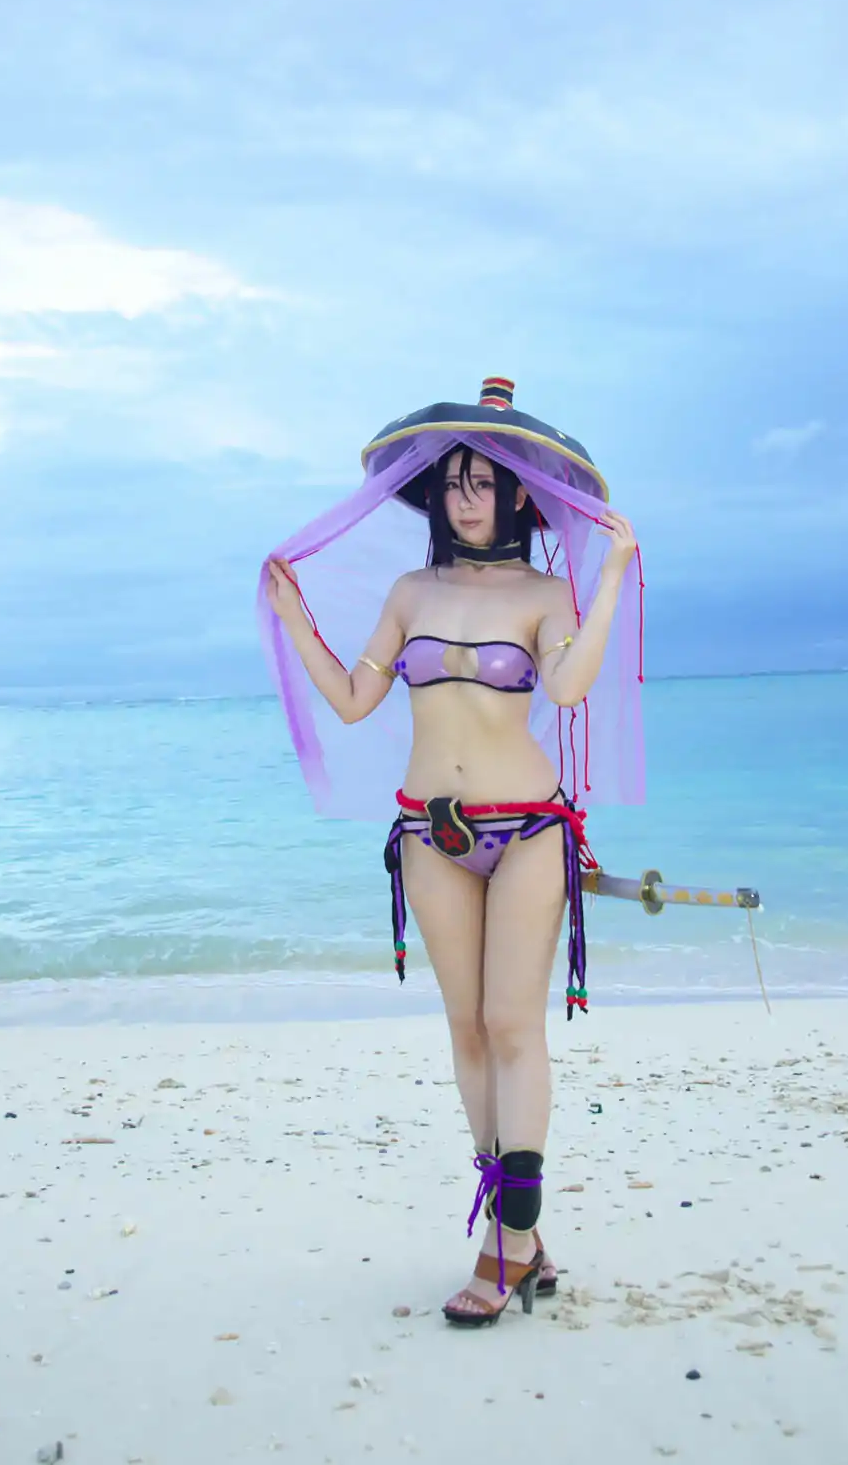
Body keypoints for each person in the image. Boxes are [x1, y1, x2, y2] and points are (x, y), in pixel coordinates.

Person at [264, 380, 639, 1327]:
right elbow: (355, 699)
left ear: (515, 494)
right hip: (430, 833)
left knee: (512, 1025)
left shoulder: (547, 595)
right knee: (466, 1030)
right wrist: (295, 616)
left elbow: (570, 683)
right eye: (453, 483)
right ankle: (523, 1238)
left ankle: (506, 1242)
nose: (466, 498)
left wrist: (609, 581)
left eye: (483, 482)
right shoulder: (412, 593)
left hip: (531, 830)